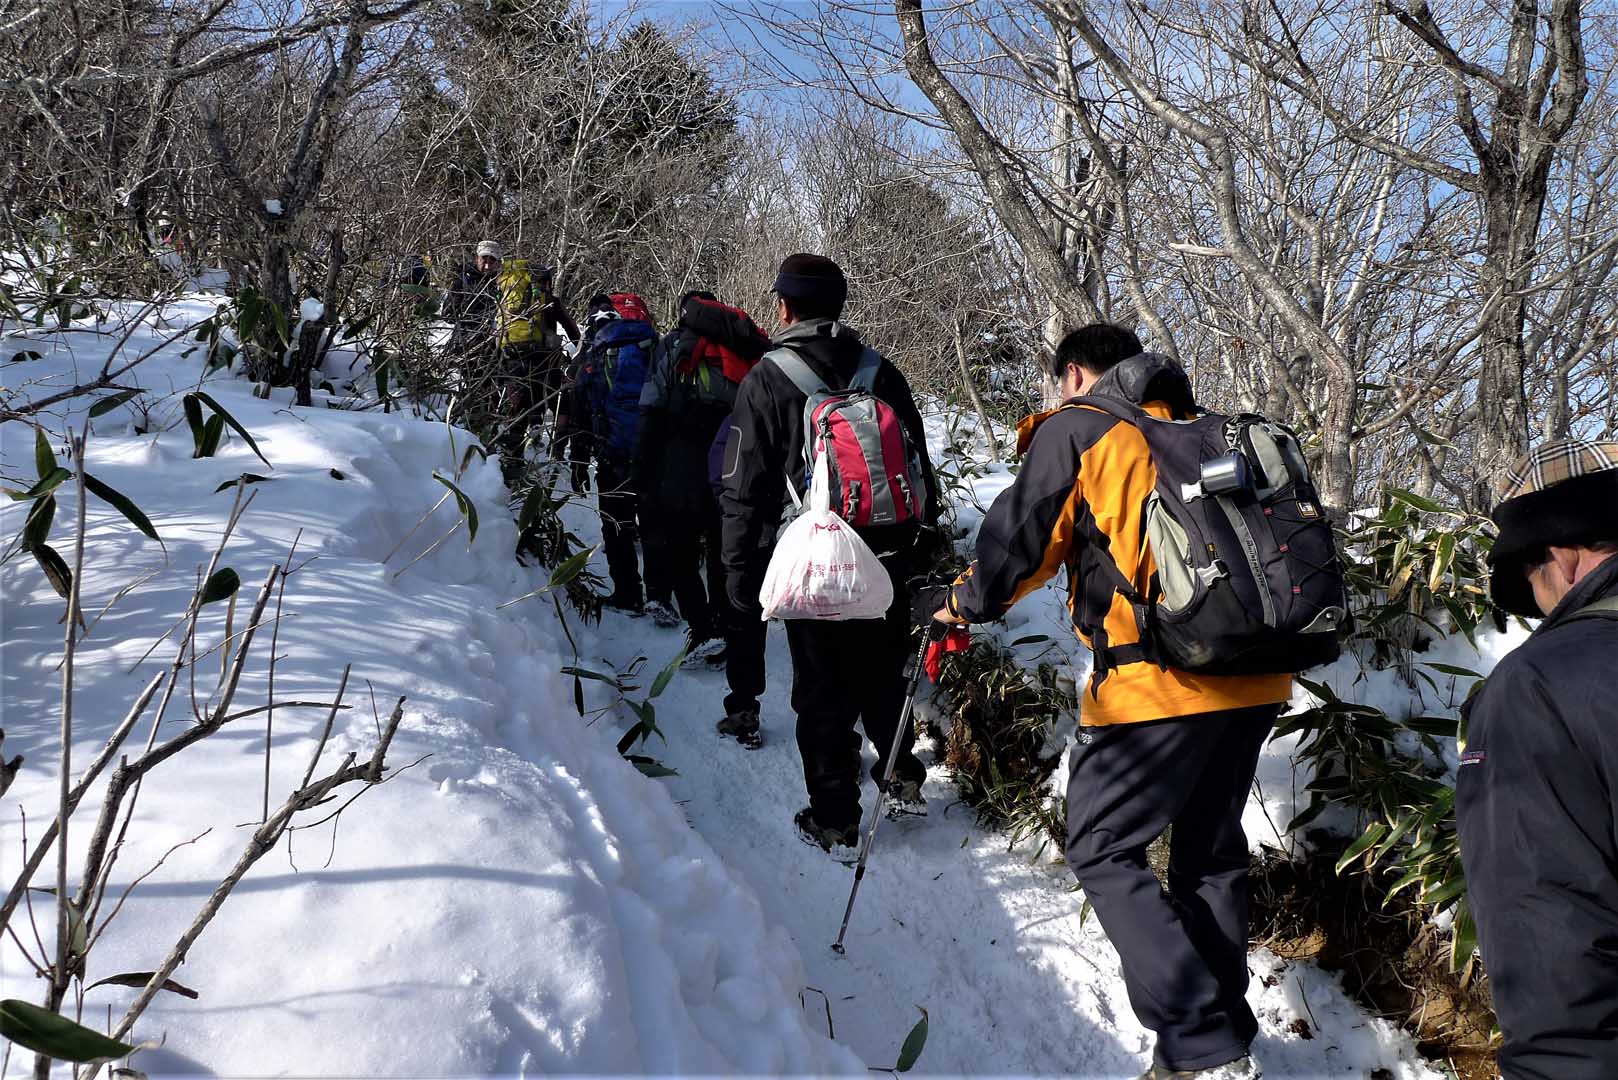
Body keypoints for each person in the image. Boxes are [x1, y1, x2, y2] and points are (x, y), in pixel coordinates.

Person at [919, 324, 1290, 1080]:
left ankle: (1197, 1040)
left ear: (1078, 374)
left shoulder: (1084, 430)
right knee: (1209, 855)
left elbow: (1013, 550)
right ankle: (1215, 1047)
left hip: (1156, 685)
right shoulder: (1202, 433)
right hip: (1257, 674)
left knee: (1101, 843)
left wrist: (954, 606)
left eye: (1060, 384)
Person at [719, 253, 939, 851]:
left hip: (819, 560)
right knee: (882, 671)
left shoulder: (767, 378)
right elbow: (920, 469)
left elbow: (742, 487)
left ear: (784, 307)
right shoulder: (881, 371)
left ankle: (835, 817)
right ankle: (902, 777)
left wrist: (739, 571)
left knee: (821, 689)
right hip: (889, 553)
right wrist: (923, 553)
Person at [1455, 439, 1618, 1080]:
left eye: (1526, 571)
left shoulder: (1536, 688)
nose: (1535, 594)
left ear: (1561, 550)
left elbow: (1552, 931)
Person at [634, 291, 772, 723]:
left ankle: (704, 626)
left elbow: (653, 406)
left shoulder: (675, 344)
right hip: (731, 461)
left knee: (678, 552)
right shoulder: (743, 351)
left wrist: (642, 473)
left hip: (681, 462)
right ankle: (724, 626)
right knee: (720, 550)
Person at [575, 292, 659, 613]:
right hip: (650, 452)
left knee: (616, 524)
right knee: (651, 524)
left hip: (612, 455)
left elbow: (581, 409)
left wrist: (579, 462)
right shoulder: (646, 345)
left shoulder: (593, 353)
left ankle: (628, 594)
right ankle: (658, 594)